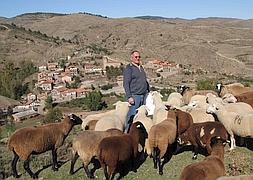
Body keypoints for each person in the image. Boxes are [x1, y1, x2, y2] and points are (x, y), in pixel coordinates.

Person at [123, 50, 149, 133]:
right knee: (132, 116)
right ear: (132, 58)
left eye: (139, 57)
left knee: (142, 117)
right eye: (136, 57)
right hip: (135, 96)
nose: (138, 58)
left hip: (143, 96)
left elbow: (144, 80)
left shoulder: (141, 67)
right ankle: (127, 133)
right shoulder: (129, 68)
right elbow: (126, 83)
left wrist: (149, 90)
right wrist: (129, 96)